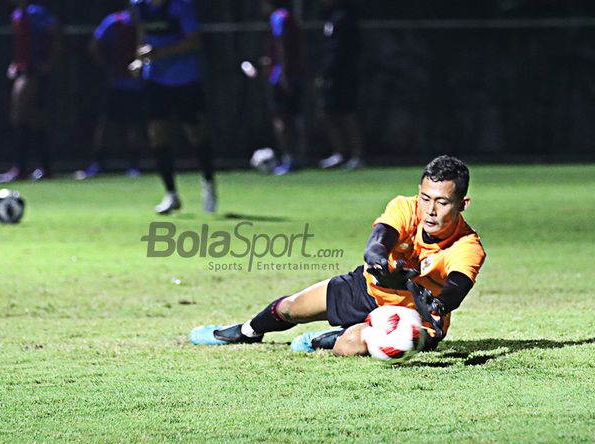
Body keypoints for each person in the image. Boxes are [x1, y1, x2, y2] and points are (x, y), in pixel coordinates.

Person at [190, 156, 486, 356]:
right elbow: (379, 241)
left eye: (442, 202)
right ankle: (245, 332)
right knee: (290, 308)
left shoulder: (467, 246)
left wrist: (434, 304)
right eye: (425, 198)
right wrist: (379, 263)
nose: (430, 210)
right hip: (368, 288)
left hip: (413, 318)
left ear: (463, 203)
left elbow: (455, 290)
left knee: (350, 345)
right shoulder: (405, 207)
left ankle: (328, 338)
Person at [130, 0, 216, 214]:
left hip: (185, 78)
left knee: (195, 132)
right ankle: (171, 194)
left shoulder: (180, 6)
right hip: (156, 80)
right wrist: (140, 60)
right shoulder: (140, 6)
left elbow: (194, 41)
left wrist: (159, 52)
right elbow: (142, 36)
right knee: (157, 134)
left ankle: (208, 182)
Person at [75, 6, 145, 180]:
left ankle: (134, 166)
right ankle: (98, 164)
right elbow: (94, 45)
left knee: (134, 124)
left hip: (137, 84)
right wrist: (108, 68)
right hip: (116, 83)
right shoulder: (114, 21)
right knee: (105, 124)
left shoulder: (145, 21)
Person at [0, 0, 61, 183]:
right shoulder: (16, 14)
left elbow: (54, 32)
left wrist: (47, 63)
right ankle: (43, 167)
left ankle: (22, 168)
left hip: (33, 70)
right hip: (22, 69)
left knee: (20, 115)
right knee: (33, 117)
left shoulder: (36, 12)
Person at [315, 0, 364, 171]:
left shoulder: (345, 17)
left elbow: (342, 50)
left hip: (344, 75)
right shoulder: (332, 18)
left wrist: (331, 72)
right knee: (328, 111)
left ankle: (357, 155)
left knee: (347, 113)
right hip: (332, 75)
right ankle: (340, 152)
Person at [260, 0, 304, 175]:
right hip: (292, 75)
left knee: (282, 118)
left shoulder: (278, 17)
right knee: (290, 117)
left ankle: (289, 158)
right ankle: (293, 157)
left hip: (282, 76)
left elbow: (281, 44)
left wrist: (284, 73)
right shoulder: (288, 16)